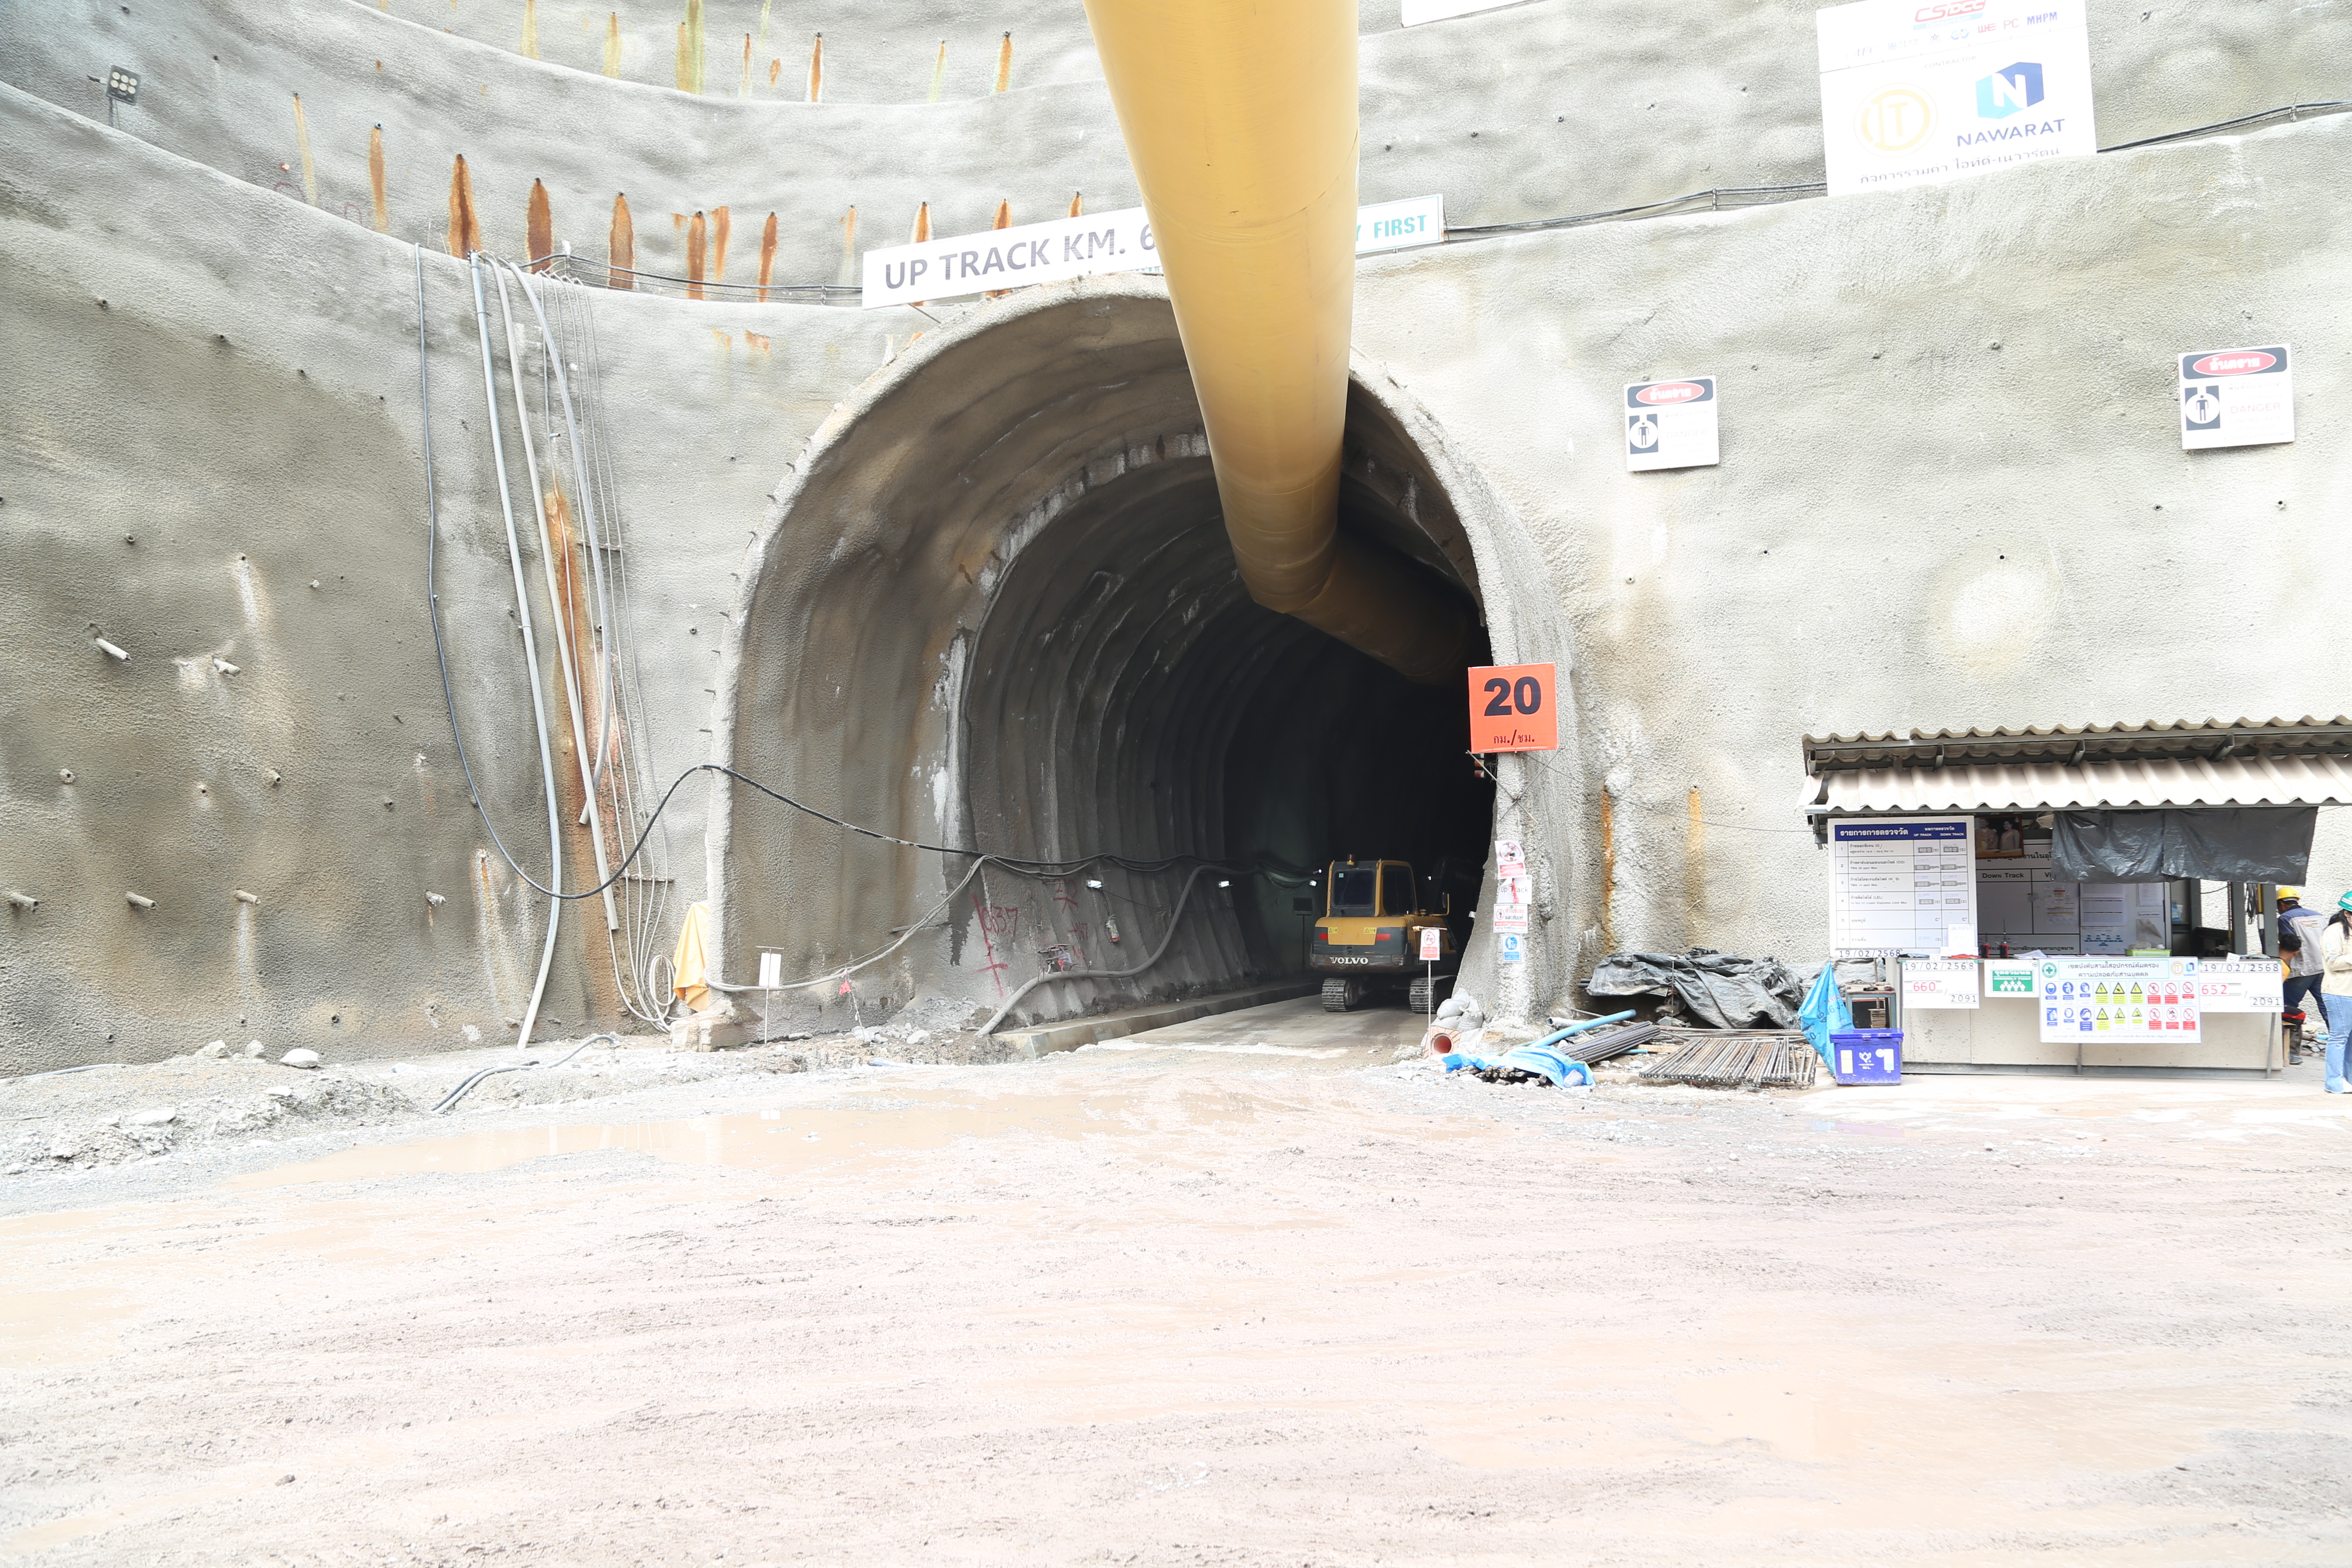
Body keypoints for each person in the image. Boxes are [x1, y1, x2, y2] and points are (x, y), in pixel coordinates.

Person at [2277, 888, 2331, 1064]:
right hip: (2322, 968)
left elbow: (2290, 943)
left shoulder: (2285, 918)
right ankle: (2344, 1050)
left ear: (2282, 904)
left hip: (2301, 971)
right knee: (2328, 1009)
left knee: (2288, 1010)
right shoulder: (2318, 916)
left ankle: (2293, 1054)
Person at [2321, 892, 2352, 1094]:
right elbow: (2333, 962)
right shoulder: (2334, 932)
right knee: (2339, 1037)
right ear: (2347, 913)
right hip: (2339, 992)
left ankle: (2348, 1079)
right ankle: (2334, 1082)